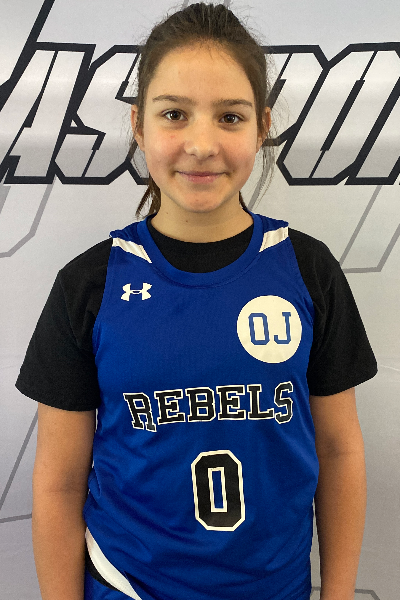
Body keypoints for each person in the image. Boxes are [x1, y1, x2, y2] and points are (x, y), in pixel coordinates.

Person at [16, 3, 377, 600]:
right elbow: (58, 483)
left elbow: (339, 451)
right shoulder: (89, 285)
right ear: (138, 125)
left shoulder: (308, 270)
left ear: (262, 127)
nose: (202, 144)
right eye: (174, 114)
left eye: (230, 117)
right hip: (126, 587)